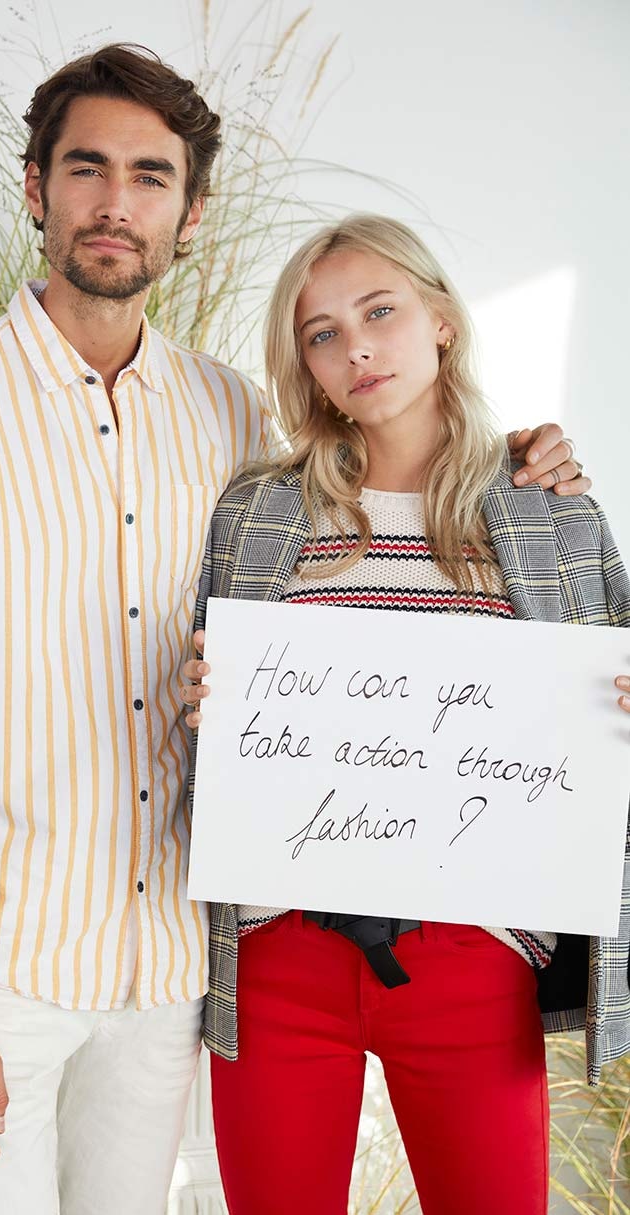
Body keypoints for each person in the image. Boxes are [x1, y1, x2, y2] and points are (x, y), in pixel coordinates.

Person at [0, 40, 585, 1214]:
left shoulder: (232, 414)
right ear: (36, 188)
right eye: (86, 168)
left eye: (151, 176)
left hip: (173, 971)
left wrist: (527, 465)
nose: (115, 203)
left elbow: (333, 586)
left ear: (189, 214)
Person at [181, 213, 630, 1215]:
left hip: (476, 952)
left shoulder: (551, 512)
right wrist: (204, 696)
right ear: (306, 365)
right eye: (323, 333)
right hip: (277, 952)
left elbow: (596, 728)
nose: (358, 348)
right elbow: (205, 711)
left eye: (379, 311)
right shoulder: (256, 513)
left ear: (442, 321)